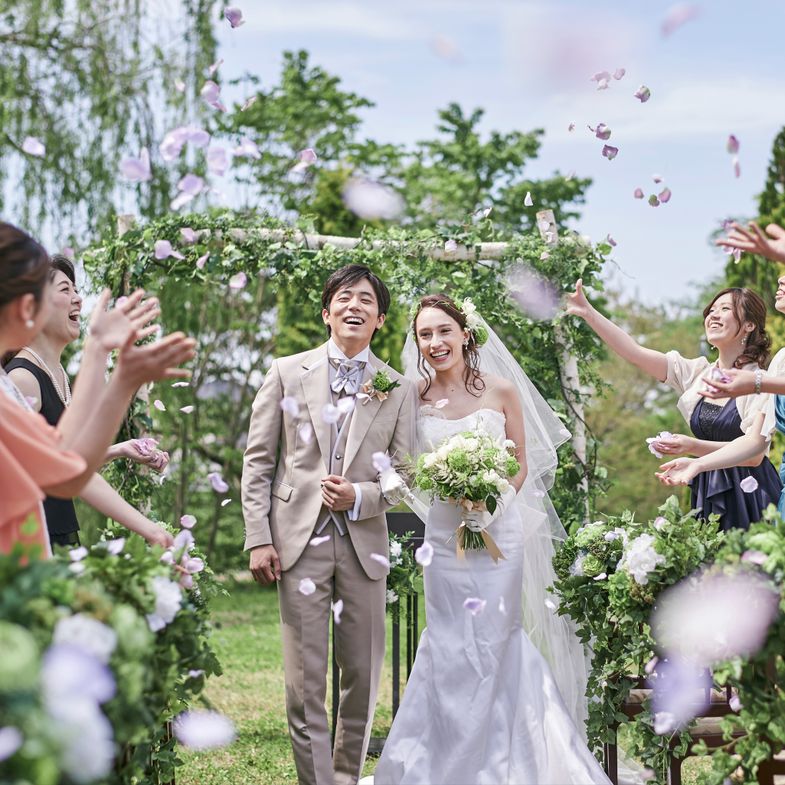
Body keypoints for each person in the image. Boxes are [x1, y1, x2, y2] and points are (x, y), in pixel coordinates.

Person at [372, 295, 609, 785]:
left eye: (443, 331)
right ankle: (442, 760)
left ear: (465, 334)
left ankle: (511, 758)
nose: (435, 342)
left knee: (498, 636)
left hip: (499, 532)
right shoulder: (411, 396)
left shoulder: (501, 390)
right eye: (424, 335)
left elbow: (521, 461)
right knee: (449, 639)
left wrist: (493, 503)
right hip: (444, 537)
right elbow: (402, 464)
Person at [241, 264, 417, 785]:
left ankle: (345, 779)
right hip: (298, 543)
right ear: (326, 312)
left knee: (361, 676)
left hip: (364, 546)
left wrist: (362, 495)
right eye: (344, 297)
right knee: (305, 680)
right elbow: (258, 461)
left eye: (366, 300)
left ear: (380, 319)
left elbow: (406, 474)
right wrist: (258, 538)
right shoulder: (284, 372)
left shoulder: (397, 387)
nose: (354, 306)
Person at [0, 221, 195, 556]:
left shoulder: (21, 380)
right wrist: (107, 363)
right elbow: (61, 468)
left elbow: (62, 464)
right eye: (61, 290)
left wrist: (107, 362)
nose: (77, 299)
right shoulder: (19, 379)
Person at [566, 280, 780, 530]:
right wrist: (589, 313)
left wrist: (693, 448)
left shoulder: (759, 382)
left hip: (751, 493)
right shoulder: (697, 373)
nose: (713, 315)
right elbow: (634, 353)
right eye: (711, 310)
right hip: (706, 485)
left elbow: (754, 455)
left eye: (725, 309)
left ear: (749, 325)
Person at [659, 222, 785, 518]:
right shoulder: (781, 360)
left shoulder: (760, 376)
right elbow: (636, 353)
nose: (780, 280)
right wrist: (697, 461)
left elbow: (755, 451)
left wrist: (755, 382)